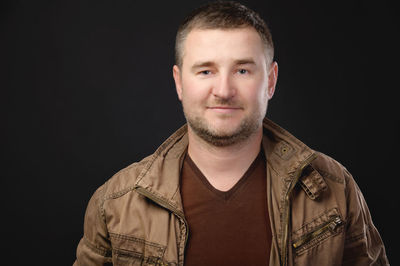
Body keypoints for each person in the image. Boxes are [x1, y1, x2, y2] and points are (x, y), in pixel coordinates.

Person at [74, 1, 389, 265]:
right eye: (206, 70)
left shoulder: (334, 188)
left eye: (242, 70)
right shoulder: (115, 203)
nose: (223, 91)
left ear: (270, 80)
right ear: (179, 82)